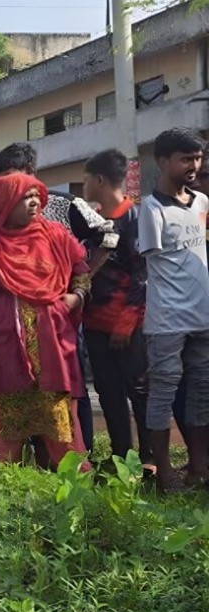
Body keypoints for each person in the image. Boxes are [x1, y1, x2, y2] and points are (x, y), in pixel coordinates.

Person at [0, 172, 91, 468]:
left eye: (36, 196)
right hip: (0, 349)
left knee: (59, 418)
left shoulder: (55, 236)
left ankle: (75, 484)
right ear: (3, 203)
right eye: (25, 197)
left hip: (51, 344)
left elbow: (82, 271)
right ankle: (2, 490)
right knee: (0, 423)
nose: (34, 202)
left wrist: (75, 297)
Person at [137, 127, 209, 492]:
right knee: (163, 394)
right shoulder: (150, 209)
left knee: (202, 392)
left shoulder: (201, 203)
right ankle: (164, 472)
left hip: (203, 317)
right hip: (166, 321)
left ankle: (199, 468)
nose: (194, 165)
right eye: (186, 158)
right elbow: (146, 266)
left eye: (197, 158)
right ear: (163, 161)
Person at [80, 148, 151, 466]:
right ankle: (121, 458)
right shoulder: (92, 222)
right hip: (94, 323)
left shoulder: (134, 217)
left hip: (126, 324)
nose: (83, 185)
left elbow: (142, 274)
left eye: (85, 178)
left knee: (139, 392)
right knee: (108, 395)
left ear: (98, 179)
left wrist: (127, 320)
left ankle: (150, 459)